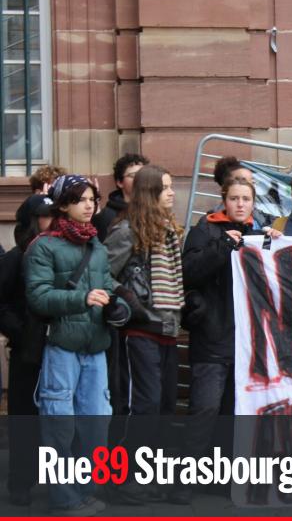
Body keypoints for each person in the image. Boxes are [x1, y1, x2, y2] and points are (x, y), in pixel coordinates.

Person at [25, 175, 131, 515]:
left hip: (95, 346)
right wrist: (81, 298)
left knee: (97, 424)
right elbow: (38, 297)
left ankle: (85, 491)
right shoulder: (43, 245)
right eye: (81, 199)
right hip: (61, 347)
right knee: (58, 425)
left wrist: (119, 304)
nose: (89, 205)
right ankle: (64, 498)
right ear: (63, 204)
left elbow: (106, 285)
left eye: (92, 199)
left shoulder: (95, 245)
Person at [174, 178, 282, 504]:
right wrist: (223, 246)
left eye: (245, 198)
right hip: (212, 337)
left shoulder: (260, 234)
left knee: (232, 413)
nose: (239, 204)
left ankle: (220, 479)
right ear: (224, 201)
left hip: (247, 342)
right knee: (204, 410)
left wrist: (278, 244)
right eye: (234, 198)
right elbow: (189, 271)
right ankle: (183, 483)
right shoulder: (205, 230)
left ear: (252, 203)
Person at [105, 165, 185, 502]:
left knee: (166, 406)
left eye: (171, 187)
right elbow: (100, 273)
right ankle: (124, 480)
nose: (171, 193)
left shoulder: (169, 230)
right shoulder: (127, 230)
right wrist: (127, 299)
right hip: (141, 329)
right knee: (144, 406)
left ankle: (155, 478)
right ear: (149, 193)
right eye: (164, 188)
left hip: (168, 327)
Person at [0, 194, 55, 506]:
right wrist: (20, 332)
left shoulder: (61, 251)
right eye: (48, 215)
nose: (54, 220)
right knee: (24, 417)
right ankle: (20, 481)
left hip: (60, 347)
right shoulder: (16, 257)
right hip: (27, 351)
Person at [93, 153, 148, 242]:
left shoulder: (154, 210)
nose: (140, 179)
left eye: (143, 175)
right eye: (134, 175)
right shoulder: (107, 216)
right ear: (120, 182)